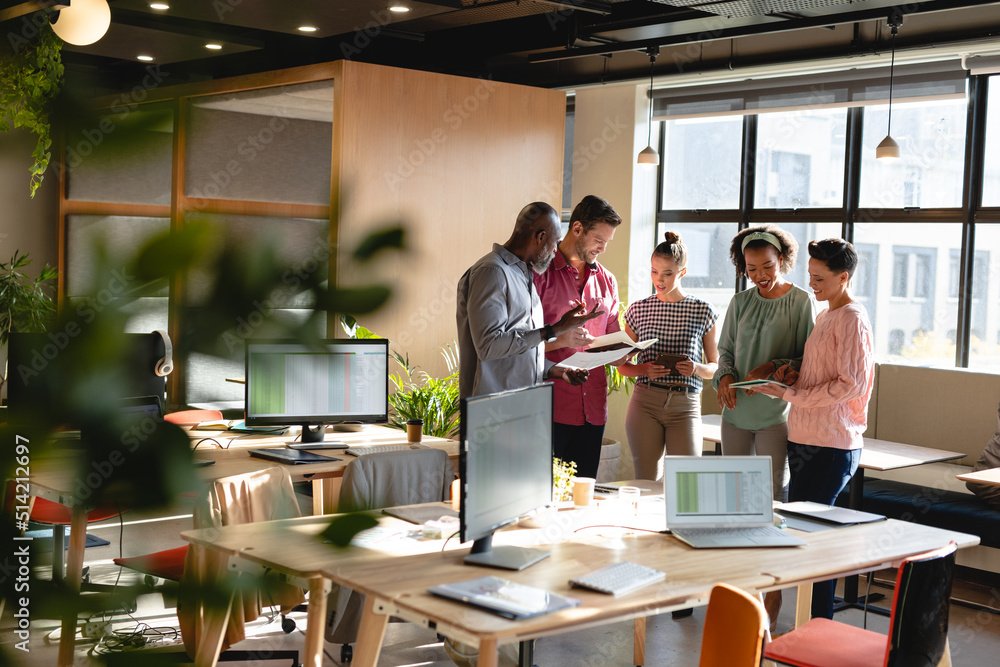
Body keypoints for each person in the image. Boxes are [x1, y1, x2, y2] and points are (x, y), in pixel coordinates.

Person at [750, 238, 875, 620]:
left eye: (820, 278)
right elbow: (823, 375)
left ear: (844, 277)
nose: (813, 285)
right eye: (810, 276)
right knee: (804, 536)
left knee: (817, 541)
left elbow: (849, 384)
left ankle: (819, 625)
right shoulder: (826, 315)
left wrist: (793, 395)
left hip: (832, 445)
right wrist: (793, 377)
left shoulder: (852, 318)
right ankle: (809, 622)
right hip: (805, 438)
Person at [456, 200, 603, 400]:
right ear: (540, 237)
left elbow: (519, 353)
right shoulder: (492, 271)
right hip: (490, 410)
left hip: (523, 405)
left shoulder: (524, 274)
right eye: (554, 242)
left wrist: (556, 370)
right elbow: (489, 346)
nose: (555, 251)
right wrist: (554, 330)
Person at [713, 225, 815, 501]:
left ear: (781, 260)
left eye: (767, 266)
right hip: (736, 413)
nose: (760, 275)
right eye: (752, 268)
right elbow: (726, 351)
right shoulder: (740, 302)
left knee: (771, 494)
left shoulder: (801, 302)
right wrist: (725, 376)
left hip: (777, 414)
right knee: (733, 493)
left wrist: (772, 366)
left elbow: (809, 358)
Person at [533, 195, 623, 478]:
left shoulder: (607, 280)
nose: (603, 248)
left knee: (584, 495)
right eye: (599, 239)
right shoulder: (538, 275)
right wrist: (561, 340)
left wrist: (629, 348)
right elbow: (519, 343)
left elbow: (612, 334)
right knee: (545, 494)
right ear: (577, 229)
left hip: (594, 410)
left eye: (608, 242)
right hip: (550, 408)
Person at [618, 231, 719, 480]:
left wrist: (695, 367)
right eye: (654, 271)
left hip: (685, 405)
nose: (659, 279)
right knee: (645, 480)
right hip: (645, 403)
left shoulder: (702, 310)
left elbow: (715, 366)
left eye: (667, 273)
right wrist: (644, 370)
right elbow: (621, 365)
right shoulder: (639, 309)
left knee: (685, 481)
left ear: (682, 272)